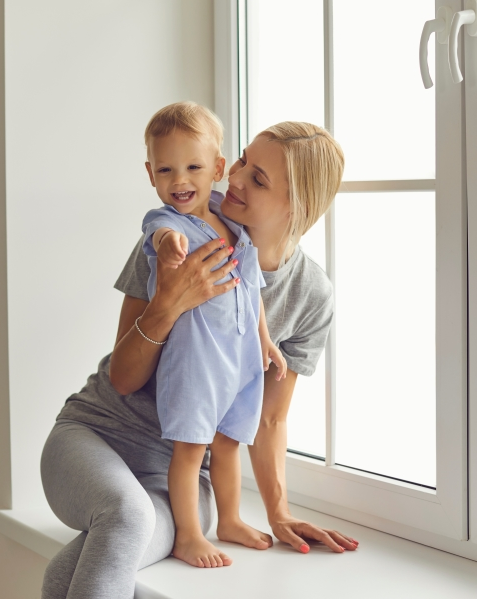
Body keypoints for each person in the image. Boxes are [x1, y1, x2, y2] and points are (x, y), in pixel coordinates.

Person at [40, 119, 358, 599]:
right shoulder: (178, 234)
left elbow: (267, 418)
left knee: (86, 562)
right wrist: (170, 300)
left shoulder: (310, 295)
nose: (234, 175)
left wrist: (279, 513)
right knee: (126, 518)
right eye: (244, 160)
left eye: (258, 178)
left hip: (188, 478)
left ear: (298, 205)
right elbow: (124, 379)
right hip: (100, 434)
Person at [139, 102, 287, 568]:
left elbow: (252, 286)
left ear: (218, 169)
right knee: (191, 449)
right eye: (166, 169)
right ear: (151, 174)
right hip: (197, 362)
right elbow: (159, 236)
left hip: (239, 356)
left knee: (228, 443)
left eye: (194, 167)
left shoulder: (231, 218)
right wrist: (170, 248)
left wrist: (264, 340)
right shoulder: (167, 223)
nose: (180, 180)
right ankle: (187, 535)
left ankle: (229, 519)